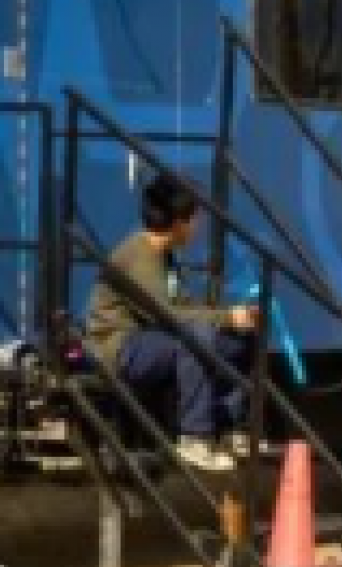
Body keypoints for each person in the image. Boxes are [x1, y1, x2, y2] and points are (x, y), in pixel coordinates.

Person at [85, 175, 260, 473]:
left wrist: (232, 317)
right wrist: (226, 317)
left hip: (152, 339)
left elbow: (183, 305)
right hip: (120, 346)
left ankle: (226, 425)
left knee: (237, 340)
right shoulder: (139, 256)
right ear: (179, 222)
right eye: (196, 218)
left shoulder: (163, 255)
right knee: (193, 338)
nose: (198, 226)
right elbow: (168, 315)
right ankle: (194, 438)